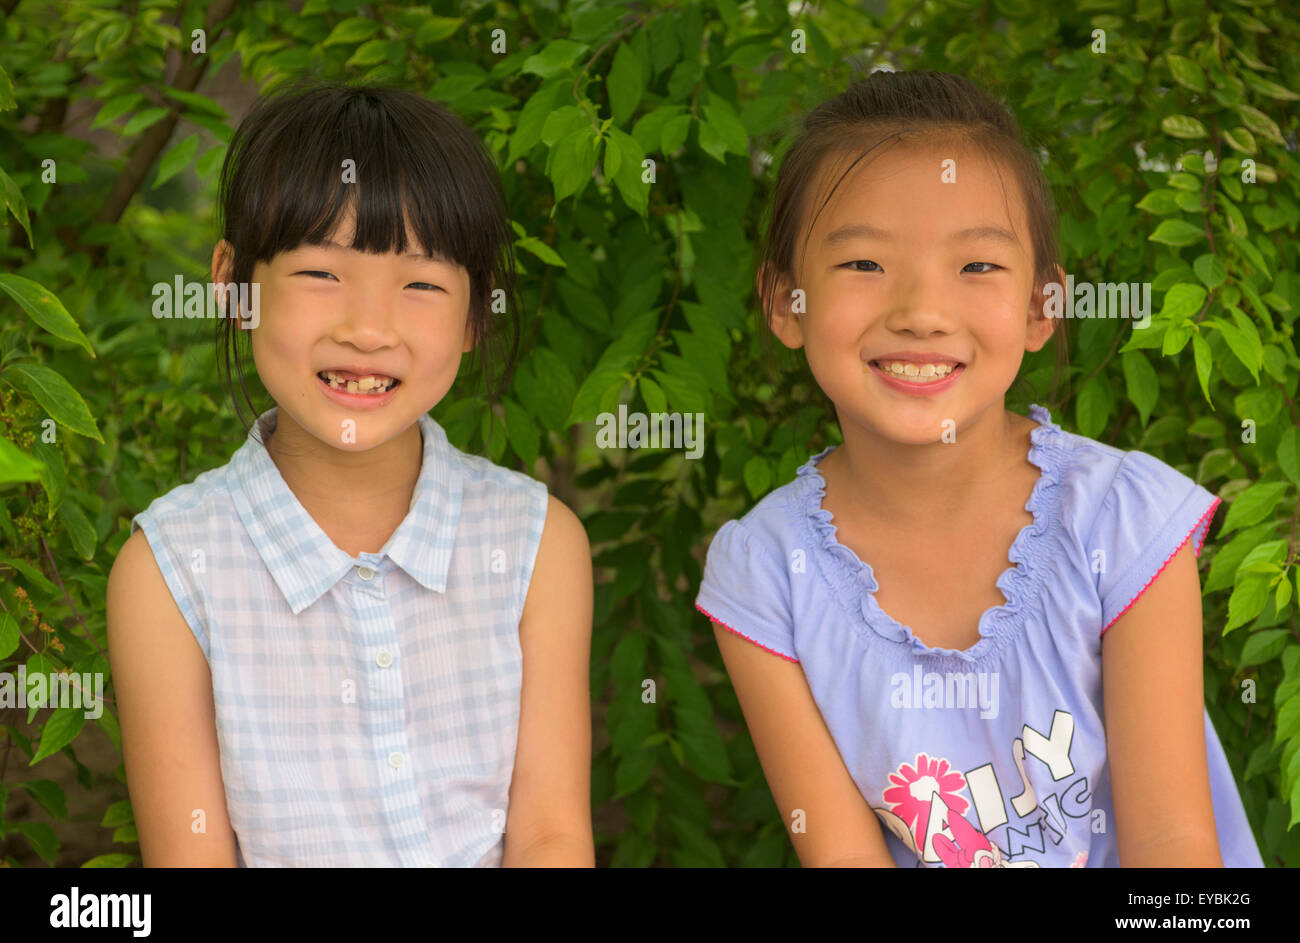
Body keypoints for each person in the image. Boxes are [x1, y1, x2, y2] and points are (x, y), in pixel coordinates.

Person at [694, 70, 1263, 867]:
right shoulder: (763, 574)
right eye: (863, 264)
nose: (922, 311)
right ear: (787, 303)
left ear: (1040, 309)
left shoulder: (1121, 522)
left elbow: (1172, 848)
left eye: (977, 267)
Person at [106, 80, 593, 867]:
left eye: (423, 283)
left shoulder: (536, 544)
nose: (368, 328)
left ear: (476, 315)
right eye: (320, 274)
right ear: (233, 285)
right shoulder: (170, 571)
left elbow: (551, 834)